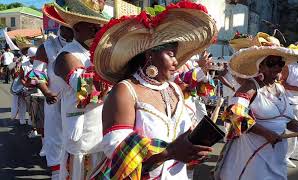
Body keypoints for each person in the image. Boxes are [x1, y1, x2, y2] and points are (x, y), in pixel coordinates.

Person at [90, 1, 217, 179]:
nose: (176, 62)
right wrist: (170, 152)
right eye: (171, 54)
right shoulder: (125, 91)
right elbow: (118, 154)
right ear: (150, 54)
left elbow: (182, 139)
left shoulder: (174, 89)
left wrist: (193, 150)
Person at [214, 37, 298, 180]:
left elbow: (288, 119)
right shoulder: (250, 86)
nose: (277, 67)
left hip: (277, 153)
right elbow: (233, 114)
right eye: (271, 63)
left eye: (280, 63)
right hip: (254, 155)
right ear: (260, 66)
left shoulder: (279, 88)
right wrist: (265, 133)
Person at [45, 0, 110, 179]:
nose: (98, 30)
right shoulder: (66, 55)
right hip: (84, 137)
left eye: (100, 26)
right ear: (77, 28)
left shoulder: (101, 53)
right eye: (92, 26)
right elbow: (86, 89)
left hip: (105, 133)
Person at [26, 8, 74, 178]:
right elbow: (37, 74)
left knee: (77, 140)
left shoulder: (84, 45)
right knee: (55, 138)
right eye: (67, 25)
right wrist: (46, 92)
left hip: (78, 102)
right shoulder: (46, 47)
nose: (71, 29)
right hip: (54, 100)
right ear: (61, 26)